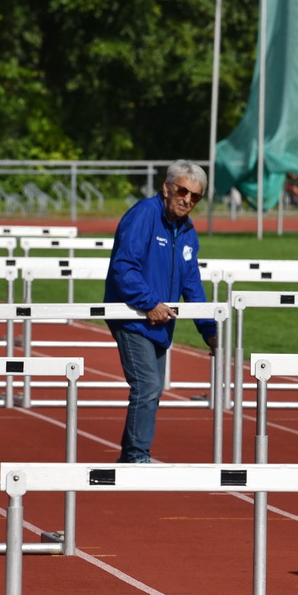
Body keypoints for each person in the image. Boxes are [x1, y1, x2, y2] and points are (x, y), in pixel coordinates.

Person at [104, 160, 218, 463]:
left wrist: (210, 331)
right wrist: (149, 302)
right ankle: (135, 457)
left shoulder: (188, 232)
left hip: (160, 322)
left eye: (195, 196)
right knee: (148, 385)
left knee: (152, 390)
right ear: (167, 188)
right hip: (132, 316)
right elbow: (124, 268)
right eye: (182, 191)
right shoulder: (143, 215)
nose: (187, 200)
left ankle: (135, 455)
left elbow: (191, 284)